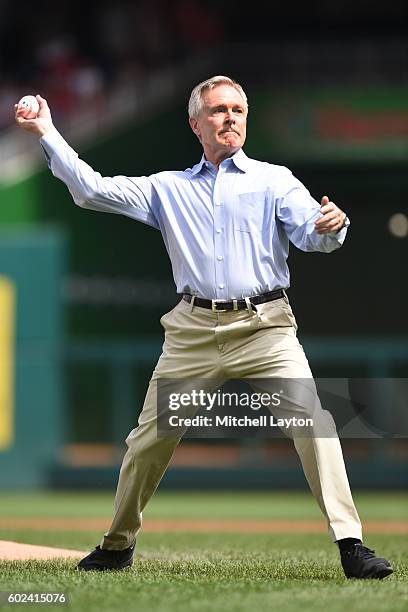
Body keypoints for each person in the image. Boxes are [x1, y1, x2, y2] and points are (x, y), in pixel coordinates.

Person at [15, 76, 392, 580]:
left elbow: (312, 234)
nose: (230, 117)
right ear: (196, 124)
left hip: (266, 329)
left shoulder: (274, 179)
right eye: (217, 110)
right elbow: (90, 190)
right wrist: (46, 130)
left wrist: (333, 225)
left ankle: (352, 545)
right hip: (193, 332)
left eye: (238, 109)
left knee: (316, 424)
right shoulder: (167, 188)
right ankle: (118, 543)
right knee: (147, 443)